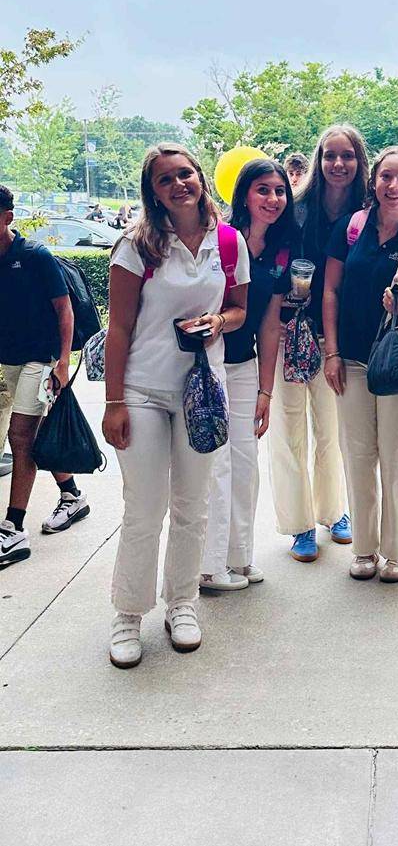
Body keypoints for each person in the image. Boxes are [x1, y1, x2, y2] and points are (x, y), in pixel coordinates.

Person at [103, 143, 249, 669]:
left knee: (194, 506)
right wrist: (114, 400)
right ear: (154, 193)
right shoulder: (136, 247)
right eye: (165, 180)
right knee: (144, 509)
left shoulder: (228, 242)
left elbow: (238, 309)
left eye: (184, 174)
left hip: (201, 392)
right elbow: (117, 329)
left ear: (200, 177)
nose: (178, 184)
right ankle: (127, 612)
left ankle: (182, 602)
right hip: (142, 391)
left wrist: (219, 323)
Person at [323, 145, 398, 583]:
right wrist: (331, 352)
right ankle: (365, 549)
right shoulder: (350, 228)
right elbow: (330, 291)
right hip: (351, 359)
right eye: (386, 177)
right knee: (357, 454)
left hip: (397, 363)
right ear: (373, 180)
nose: (393, 186)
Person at [269, 125, 368, 563]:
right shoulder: (299, 208)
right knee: (290, 430)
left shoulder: (368, 209)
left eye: (347, 155)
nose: (338, 164)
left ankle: (333, 512)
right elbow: (270, 256)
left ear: (359, 160)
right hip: (290, 331)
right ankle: (300, 525)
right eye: (330, 155)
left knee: (331, 431)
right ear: (318, 159)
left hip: (338, 336)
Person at [200, 159, 296, 592]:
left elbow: (271, 323)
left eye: (279, 191)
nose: (273, 199)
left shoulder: (281, 249)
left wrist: (265, 390)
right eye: (263, 190)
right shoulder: (219, 238)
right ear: (243, 194)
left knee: (244, 464)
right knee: (215, 467)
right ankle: (207, 565)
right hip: (209, 361)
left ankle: (239, 557)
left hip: (245, 366)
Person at [0, 184, 90, 570]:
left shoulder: (34, 256)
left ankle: (12, 528)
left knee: (19, 435)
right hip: (8, 360)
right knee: (33, 437)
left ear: (7, 217)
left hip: (42, 358)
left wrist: (63, 363)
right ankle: (72, 496)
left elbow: (64, 310)